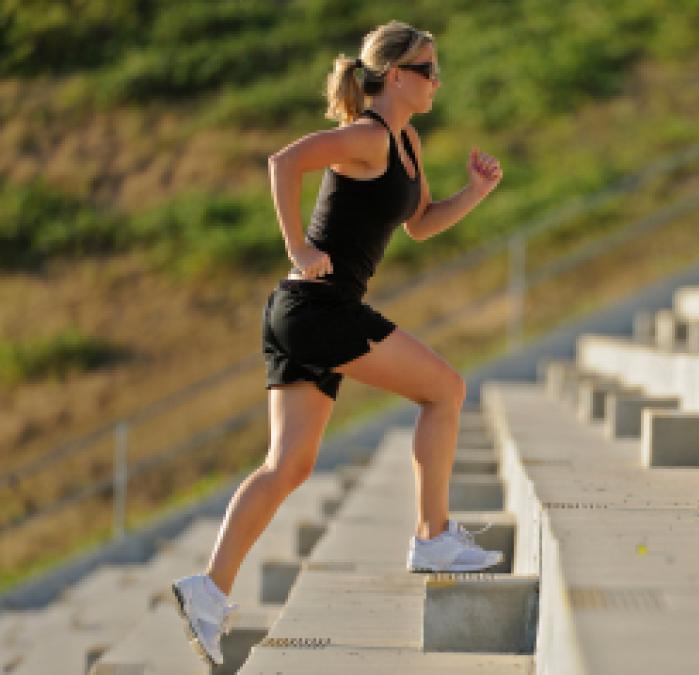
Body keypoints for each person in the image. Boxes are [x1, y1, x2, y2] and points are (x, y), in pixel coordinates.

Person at [169, 20, 505, 667]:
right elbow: (284, 161)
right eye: (430, 69)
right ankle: (432, 536)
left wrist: (477, 192)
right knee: (446, 389)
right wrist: (298, 245)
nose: (439, 80)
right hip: (317, 307)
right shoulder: (366, 136)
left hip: (305, 312)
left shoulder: (405, 140)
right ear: (398, 76)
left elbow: (422, 224)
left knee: (288, 465)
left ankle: (208, 589)